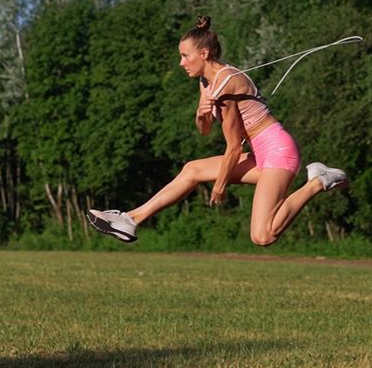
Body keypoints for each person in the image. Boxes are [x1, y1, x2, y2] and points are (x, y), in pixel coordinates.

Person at [87, 15, 347, 245]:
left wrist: (220, 187)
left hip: (279, 151)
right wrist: (201, 114)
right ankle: (131, 219)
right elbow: (204, 131)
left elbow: (234, 146)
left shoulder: (228, 84)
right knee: (192, 169)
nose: (181, 62)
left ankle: (318, 181)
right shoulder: (206, 82)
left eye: (185, 56)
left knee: (263, 236)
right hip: (261, 152)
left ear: (204, 53)